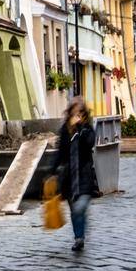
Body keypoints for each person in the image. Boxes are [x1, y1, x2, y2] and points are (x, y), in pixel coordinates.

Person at [52, 98, 99, 253]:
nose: (76, 115)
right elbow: (60, 152)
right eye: (74, 112)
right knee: (74, 211)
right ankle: (79, 238)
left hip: (85, 175)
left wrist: (79, 127)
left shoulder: (87, 129)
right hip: (69, 178)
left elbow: (89, 143)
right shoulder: (65, 130)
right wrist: (51, 171)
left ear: (84, 114)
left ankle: (81, 234)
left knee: (79, 208)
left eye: (79, 113)